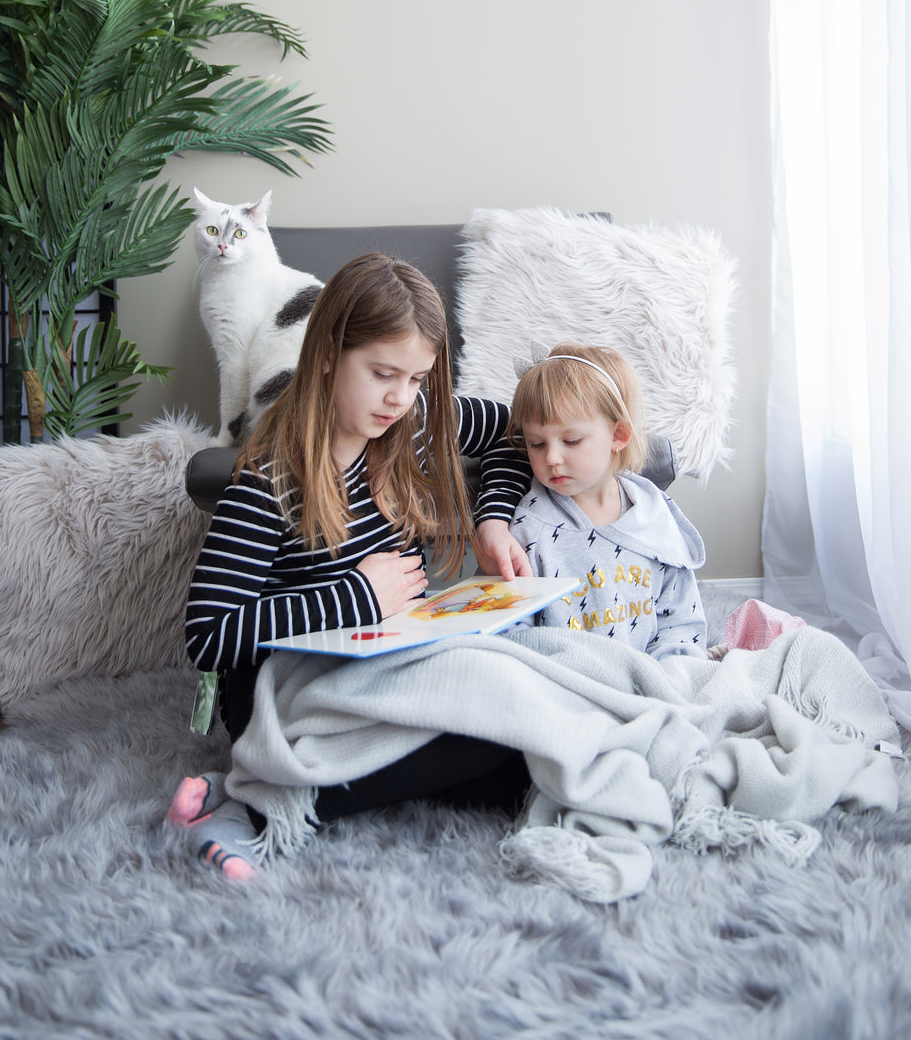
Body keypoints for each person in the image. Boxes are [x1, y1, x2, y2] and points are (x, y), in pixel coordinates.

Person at [167, 252, 532, 879]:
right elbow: (208, 635)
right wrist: (357, 596)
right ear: (330, 352)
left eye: (416, 379)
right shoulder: (269, 478)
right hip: (282, 693)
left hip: (382, 663)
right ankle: (256, 803)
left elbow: (519, 433)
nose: (399, 398)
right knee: (490, 742)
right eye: (384, 373)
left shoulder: (412, 425)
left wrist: (492, 519)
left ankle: (259, 792)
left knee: (519, 742)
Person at [506, 343, 708, 659]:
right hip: (567, 681)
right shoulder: (529, 528)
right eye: (536, 443)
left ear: (618, 436)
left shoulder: (653, 514)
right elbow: (510, 629)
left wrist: (670, 668)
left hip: (653, 675)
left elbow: (682, 618)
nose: (552, 457)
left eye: (571, 441)